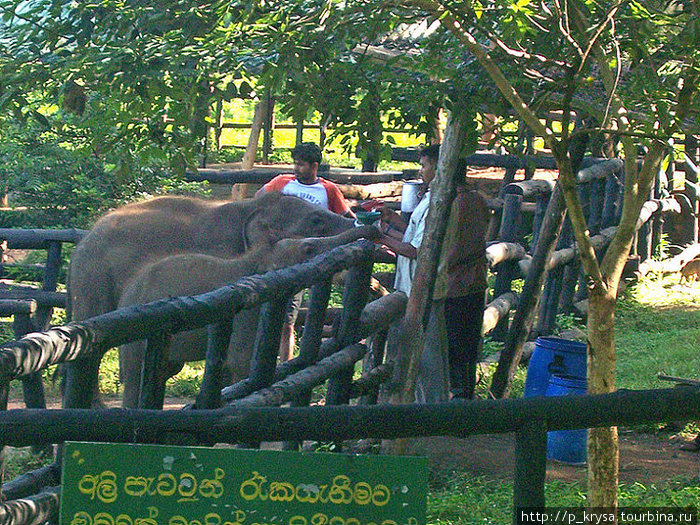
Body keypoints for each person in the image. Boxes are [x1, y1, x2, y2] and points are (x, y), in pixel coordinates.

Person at [255, 143, 356, 361]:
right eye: (295, 163)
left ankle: (293, 362)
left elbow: (347, 219)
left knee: (304, 314)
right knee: (281, 317)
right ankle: (274, 363)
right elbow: (257, 203)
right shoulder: (282, 183)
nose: (296, 168)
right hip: (284, 260)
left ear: (314, 166)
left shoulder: (328, 190)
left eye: (301, 164)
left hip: (315, 260)